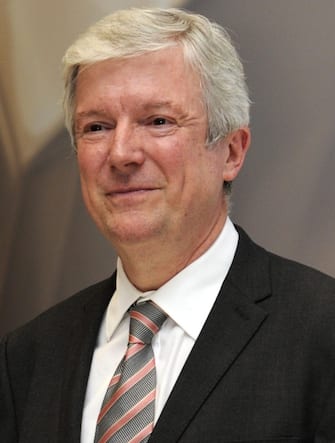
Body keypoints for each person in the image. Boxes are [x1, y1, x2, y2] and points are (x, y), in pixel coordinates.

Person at [1, 7, 335, 443]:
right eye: (97, 126)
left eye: (158, 121)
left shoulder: (322, 332)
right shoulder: (26, 358)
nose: (121, 153)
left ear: (232, 152)